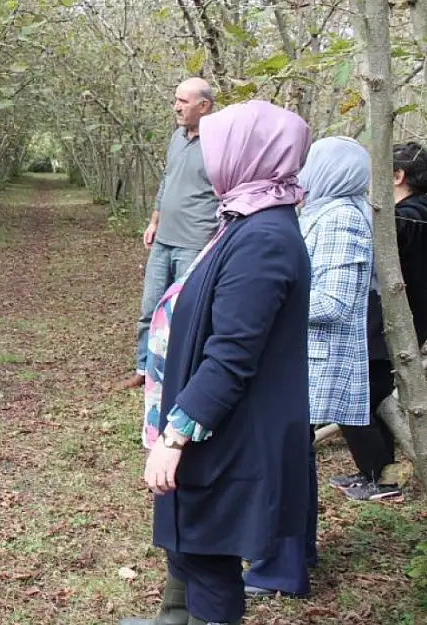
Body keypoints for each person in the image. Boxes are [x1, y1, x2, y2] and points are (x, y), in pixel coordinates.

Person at [121, 100, 312, 625]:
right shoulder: (245, 220)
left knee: (209, 555)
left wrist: (175, 435)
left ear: (248, 153)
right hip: (218, 425)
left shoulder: (264, 240)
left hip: (231, 433)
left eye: (217, 146)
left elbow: (231, 355)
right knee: (193, 545)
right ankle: (176, 618)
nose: (207, 160)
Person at [243, 136, 374, 599]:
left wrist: (269, 299)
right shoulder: (324, 211)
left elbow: (334, 303)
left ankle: (280, 567)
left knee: (282, 464)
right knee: (292, 461)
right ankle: (294, 553)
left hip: (314, 361)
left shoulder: (341, 218)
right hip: (300, 358)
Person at [332, 142, 427, 502]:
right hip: (400, 321)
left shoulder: (409, 216)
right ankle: (380, 474)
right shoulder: (423, 210)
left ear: (397, 176)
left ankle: (379, 480)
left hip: (394, 325)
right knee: (369, 395)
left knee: (353, 398)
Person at [121, 77, 221, 390]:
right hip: (164, 240)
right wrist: (154, 221)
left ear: (203, 106)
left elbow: (227, 192)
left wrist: (215, 237)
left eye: (184, 101)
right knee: (149, 309)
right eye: (176, 100)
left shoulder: (220, 143)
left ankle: (180, 376)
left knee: (185, 314)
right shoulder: (177, 137)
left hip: (195, 243)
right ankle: (144, 369)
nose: (176, 107)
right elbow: (166, 182)